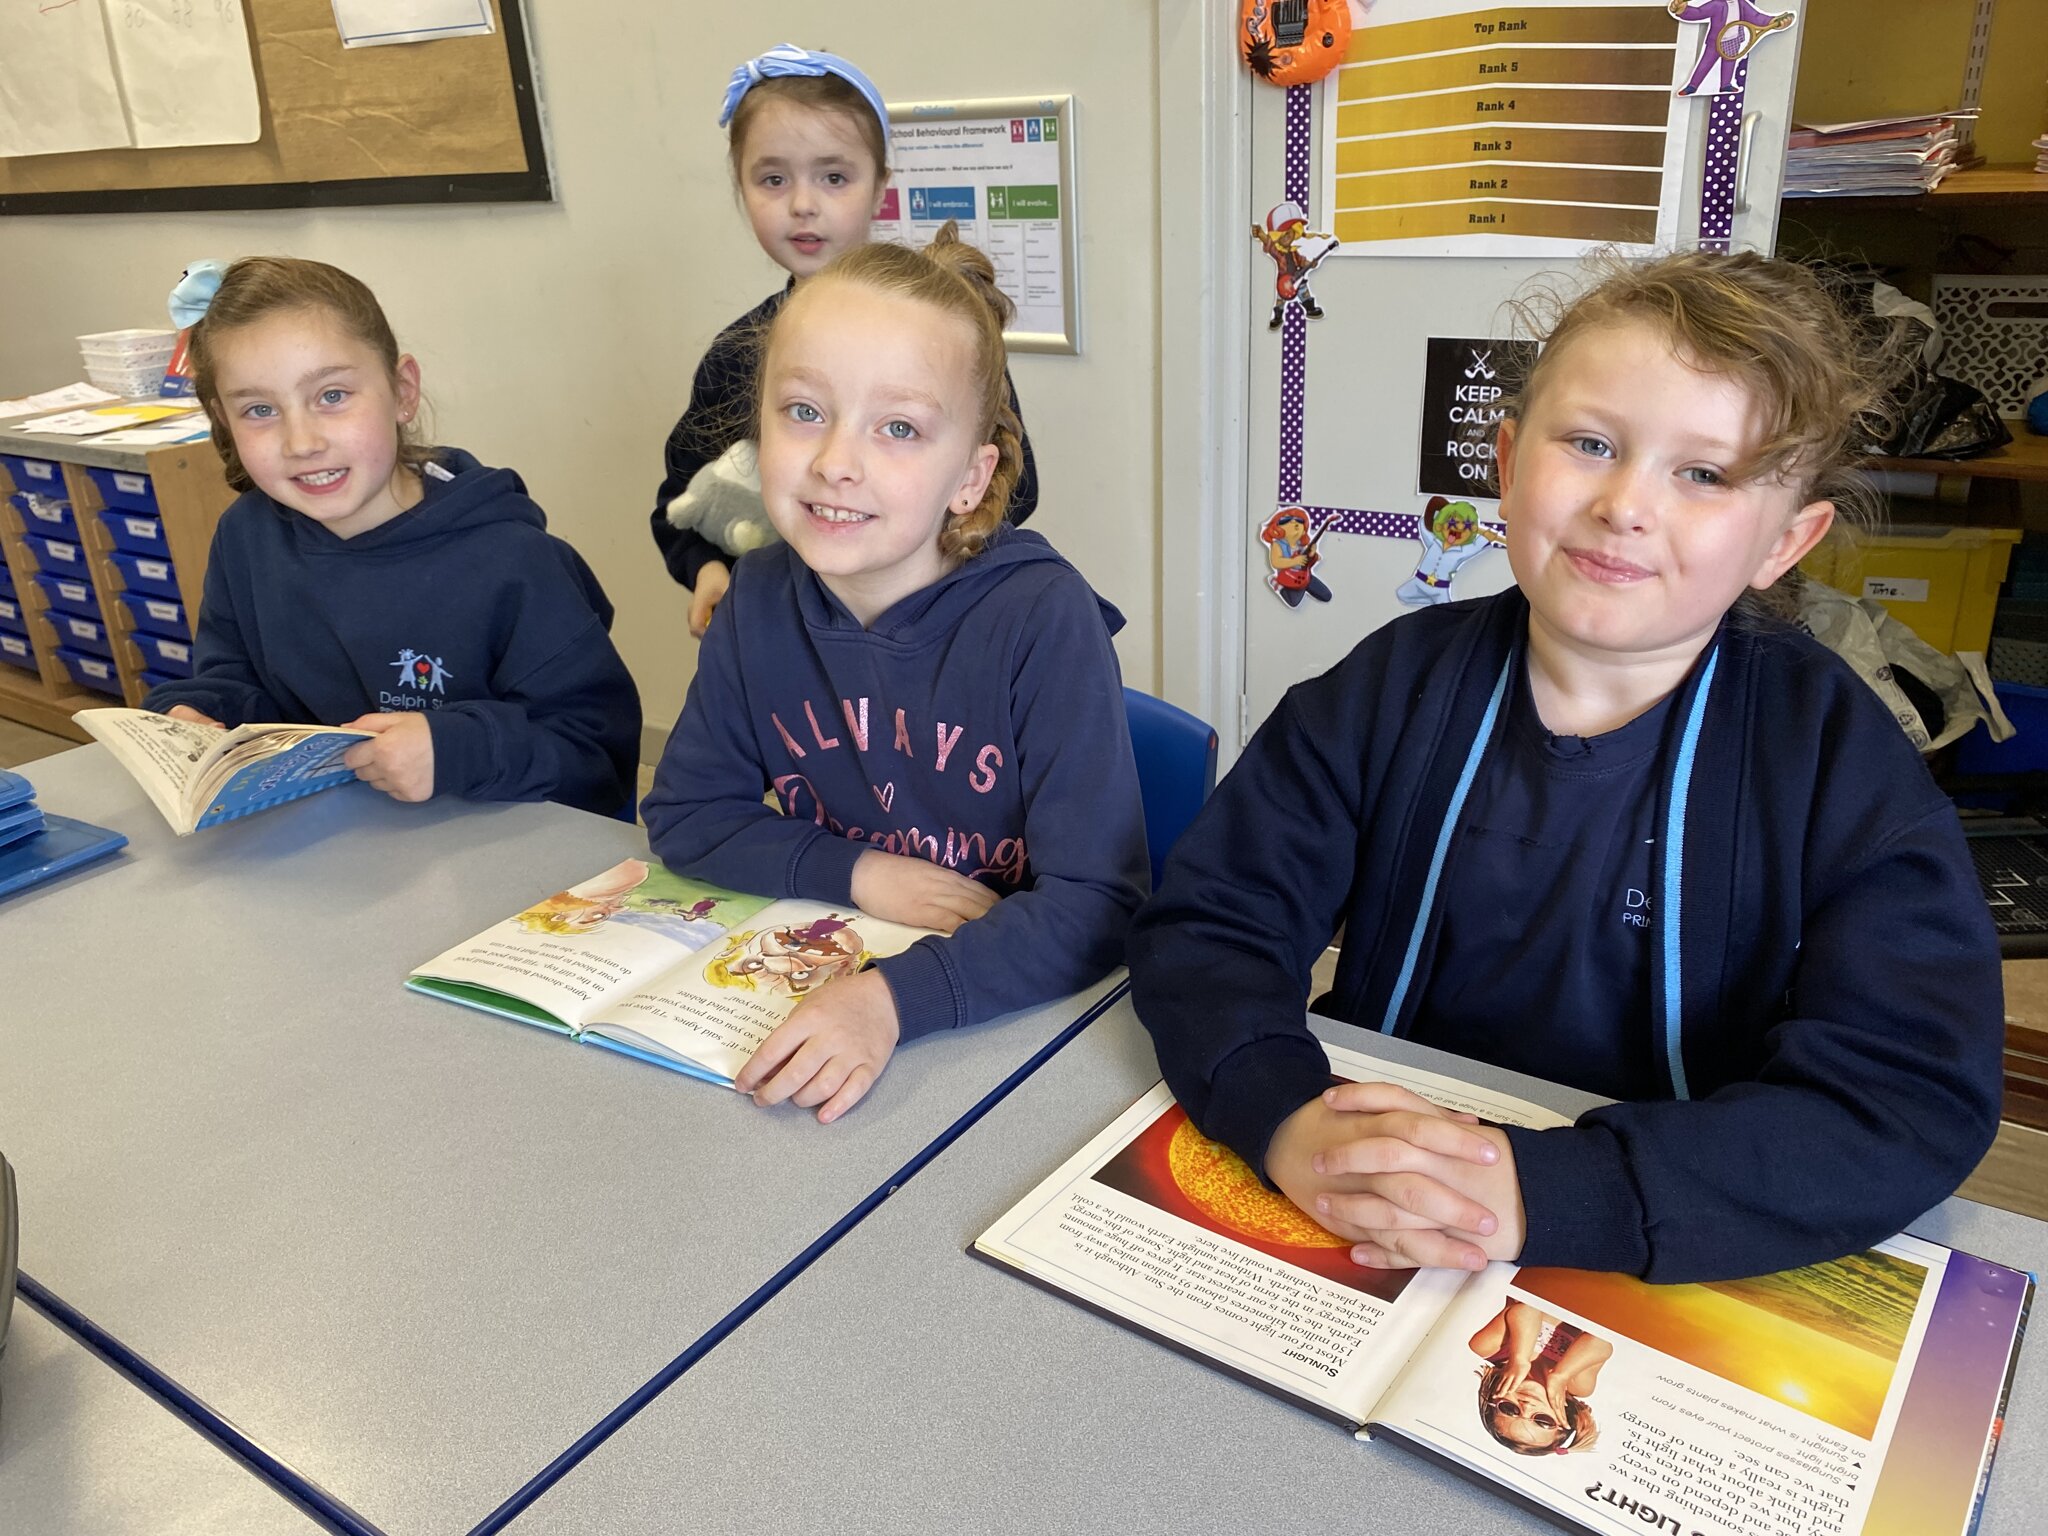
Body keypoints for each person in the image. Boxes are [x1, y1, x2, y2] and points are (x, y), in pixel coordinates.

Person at [1129, 249, 2003, 1284]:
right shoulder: (1388, 685)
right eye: (1589, 443)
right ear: (1504, 463)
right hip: (1373, 1177)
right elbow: (1211, 923)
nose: (1623, 504)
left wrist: (1553, 1194)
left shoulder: (1832, 759)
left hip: (1658, 1223)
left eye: (1702, 474)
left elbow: (1905, 1100)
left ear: (1784, 540)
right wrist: (1278, 1111)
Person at [642, 226, 1146, 1123]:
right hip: (823, 979)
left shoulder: (1040, 619)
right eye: (804, 412)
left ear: (971, 475)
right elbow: (685, 815)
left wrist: (890, 1001)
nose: (837, 460)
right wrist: (863, 873)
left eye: (900, 428)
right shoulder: (757, 597)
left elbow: (1100, 904)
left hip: (999, 1024)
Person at [145, 256, 640, 818]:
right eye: (260, 409)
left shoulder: (515, 561)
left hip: (507, 866)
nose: (301, 441)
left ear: (402, 392)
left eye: (332, 395)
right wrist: (196, 712)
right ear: (222, 419)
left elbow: (599, 760)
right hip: (341, 856)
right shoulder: (246, 535)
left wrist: (455, 750)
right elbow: (235, 680)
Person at [650, 42, 1039, 638]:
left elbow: (1016, 483)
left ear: (881, 183)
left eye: (834, 177)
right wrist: (706, 567)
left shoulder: (942, 332)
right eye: (773, 178)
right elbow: (682, 497)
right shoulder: (735, 353)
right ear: (740, 184)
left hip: (927, 635)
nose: (803, 205)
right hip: (786, 640)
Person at [1468, 1300, 1608, 1456]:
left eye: (1510, 1409)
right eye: (1543, 1420)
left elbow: (1527, 1308)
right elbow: (1601, 1342)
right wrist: (1561, 1375)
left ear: (1492, 1398)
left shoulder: (1490, 1349)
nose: (1526, 1406)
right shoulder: (1577, 1385)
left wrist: (1520, 1358)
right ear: (1564, 1417)